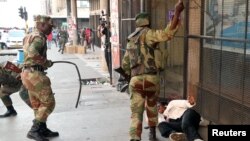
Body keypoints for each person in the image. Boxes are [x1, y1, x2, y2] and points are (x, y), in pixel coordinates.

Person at [120, 1, 184, 141]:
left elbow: (125, 64)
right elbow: (167, 34)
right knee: (151, 108)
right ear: (148, 22)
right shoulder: (150, 34)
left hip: (135, 80)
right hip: (151, 79)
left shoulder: (131, 39)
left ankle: (135, 138)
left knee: (136, 113)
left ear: (137, 23)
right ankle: (152, 135)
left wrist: (128, 77)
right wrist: (177, 12)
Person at [21, 15, 58, 141]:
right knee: (49, 103)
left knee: (38, 104)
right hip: (35, 74)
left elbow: (25, 55)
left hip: (27, 73)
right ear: (42, 25)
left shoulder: (29, 35)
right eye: (49, 26)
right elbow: (32, 53)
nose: (50, 30)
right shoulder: (39, 37)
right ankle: (34, 130)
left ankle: (42, 129)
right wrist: (46, 62)